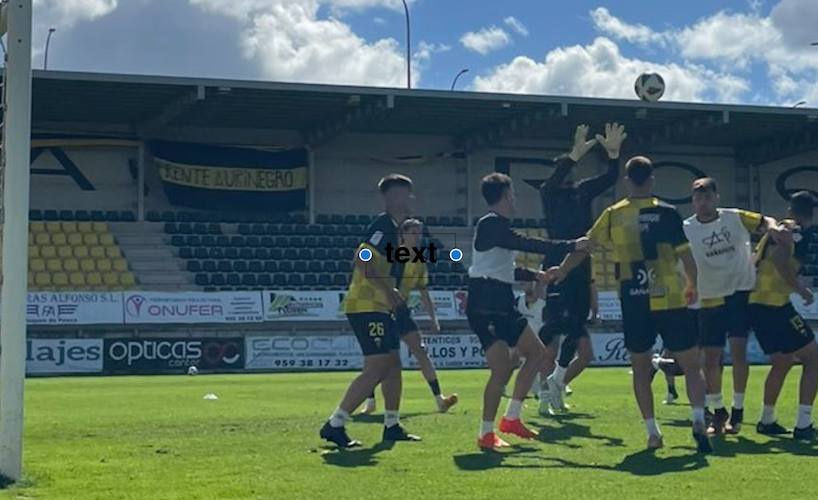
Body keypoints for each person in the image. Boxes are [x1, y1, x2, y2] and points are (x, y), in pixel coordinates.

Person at [548, 156, 712, 452]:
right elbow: (687, 257)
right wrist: (693, 286)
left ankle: (653, 432)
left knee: (640, 369)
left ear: (627, 181)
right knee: (690, 364)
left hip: (635, 300)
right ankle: (699, 419)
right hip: (671, 298)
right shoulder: (669, 212)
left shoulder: (613, 214)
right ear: (651, 180)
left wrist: (562, 270)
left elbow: (584, 246)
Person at [468, 172, 588, 450]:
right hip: (484, 303)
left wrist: (536, 275)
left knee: (536, 354)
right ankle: (486, 433)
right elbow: (527, 243)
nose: (515, 200)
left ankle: (511, 418)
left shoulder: (498, 227)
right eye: (513, 194)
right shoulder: (491, 224)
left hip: (501, 300)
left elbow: (503, 269)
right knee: (502, 369)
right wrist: (571, 244)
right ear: (506, 195)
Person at [320, 174, 419, 448]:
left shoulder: (394, 230)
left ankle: (391, 424)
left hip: (379, 307)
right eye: (407, 194)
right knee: (377, 367)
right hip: (367, 305)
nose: (411, 199)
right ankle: (335, 423)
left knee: (393, 364)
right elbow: (361, 258)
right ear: (394, 197)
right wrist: (388, 291)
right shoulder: (383, 226)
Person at [683, 177, 782, 434]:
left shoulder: (734, 217)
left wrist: (773, 228)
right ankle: (718, 410)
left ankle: (737, 411)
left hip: (739, 292)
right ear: (693, 201)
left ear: (716, 197)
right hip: (709, 296)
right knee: (710, 358)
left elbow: (765, 220)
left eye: (707, 197)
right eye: (698, 198)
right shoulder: (687, 228)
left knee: (738, 352)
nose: (702, 202)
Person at [539, 123, 625, 412]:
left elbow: (611, 177)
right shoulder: (549, 193)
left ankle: (556, 383)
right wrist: (573, 155)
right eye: (565, 169)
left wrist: (613, 155)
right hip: (555, 260)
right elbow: (553, 180)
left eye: (571, 169)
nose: (569, 174)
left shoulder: (583, 191)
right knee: (551, 334)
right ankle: (543, 391)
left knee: (576, 326)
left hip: (582, 261)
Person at [358, 218, 459, 415]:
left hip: (401, 309)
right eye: (413, 233)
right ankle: (370, 401)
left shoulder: (419, 260)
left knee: (420, 350)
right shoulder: (390, 254)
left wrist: (433, 318)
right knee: (375, 358)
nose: (417, 237)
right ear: (403, 235)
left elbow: (423, 291)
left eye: (419, 233)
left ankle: (440, 399)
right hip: (382, 308)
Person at [750, 191, 818, 441]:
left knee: (783, 361)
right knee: (813, 359)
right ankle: (803, 424)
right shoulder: (796, 230)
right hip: (774, 304)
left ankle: (767, 420)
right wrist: (800, 289)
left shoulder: (778, 227)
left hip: (757, 302)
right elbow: (780, 258)